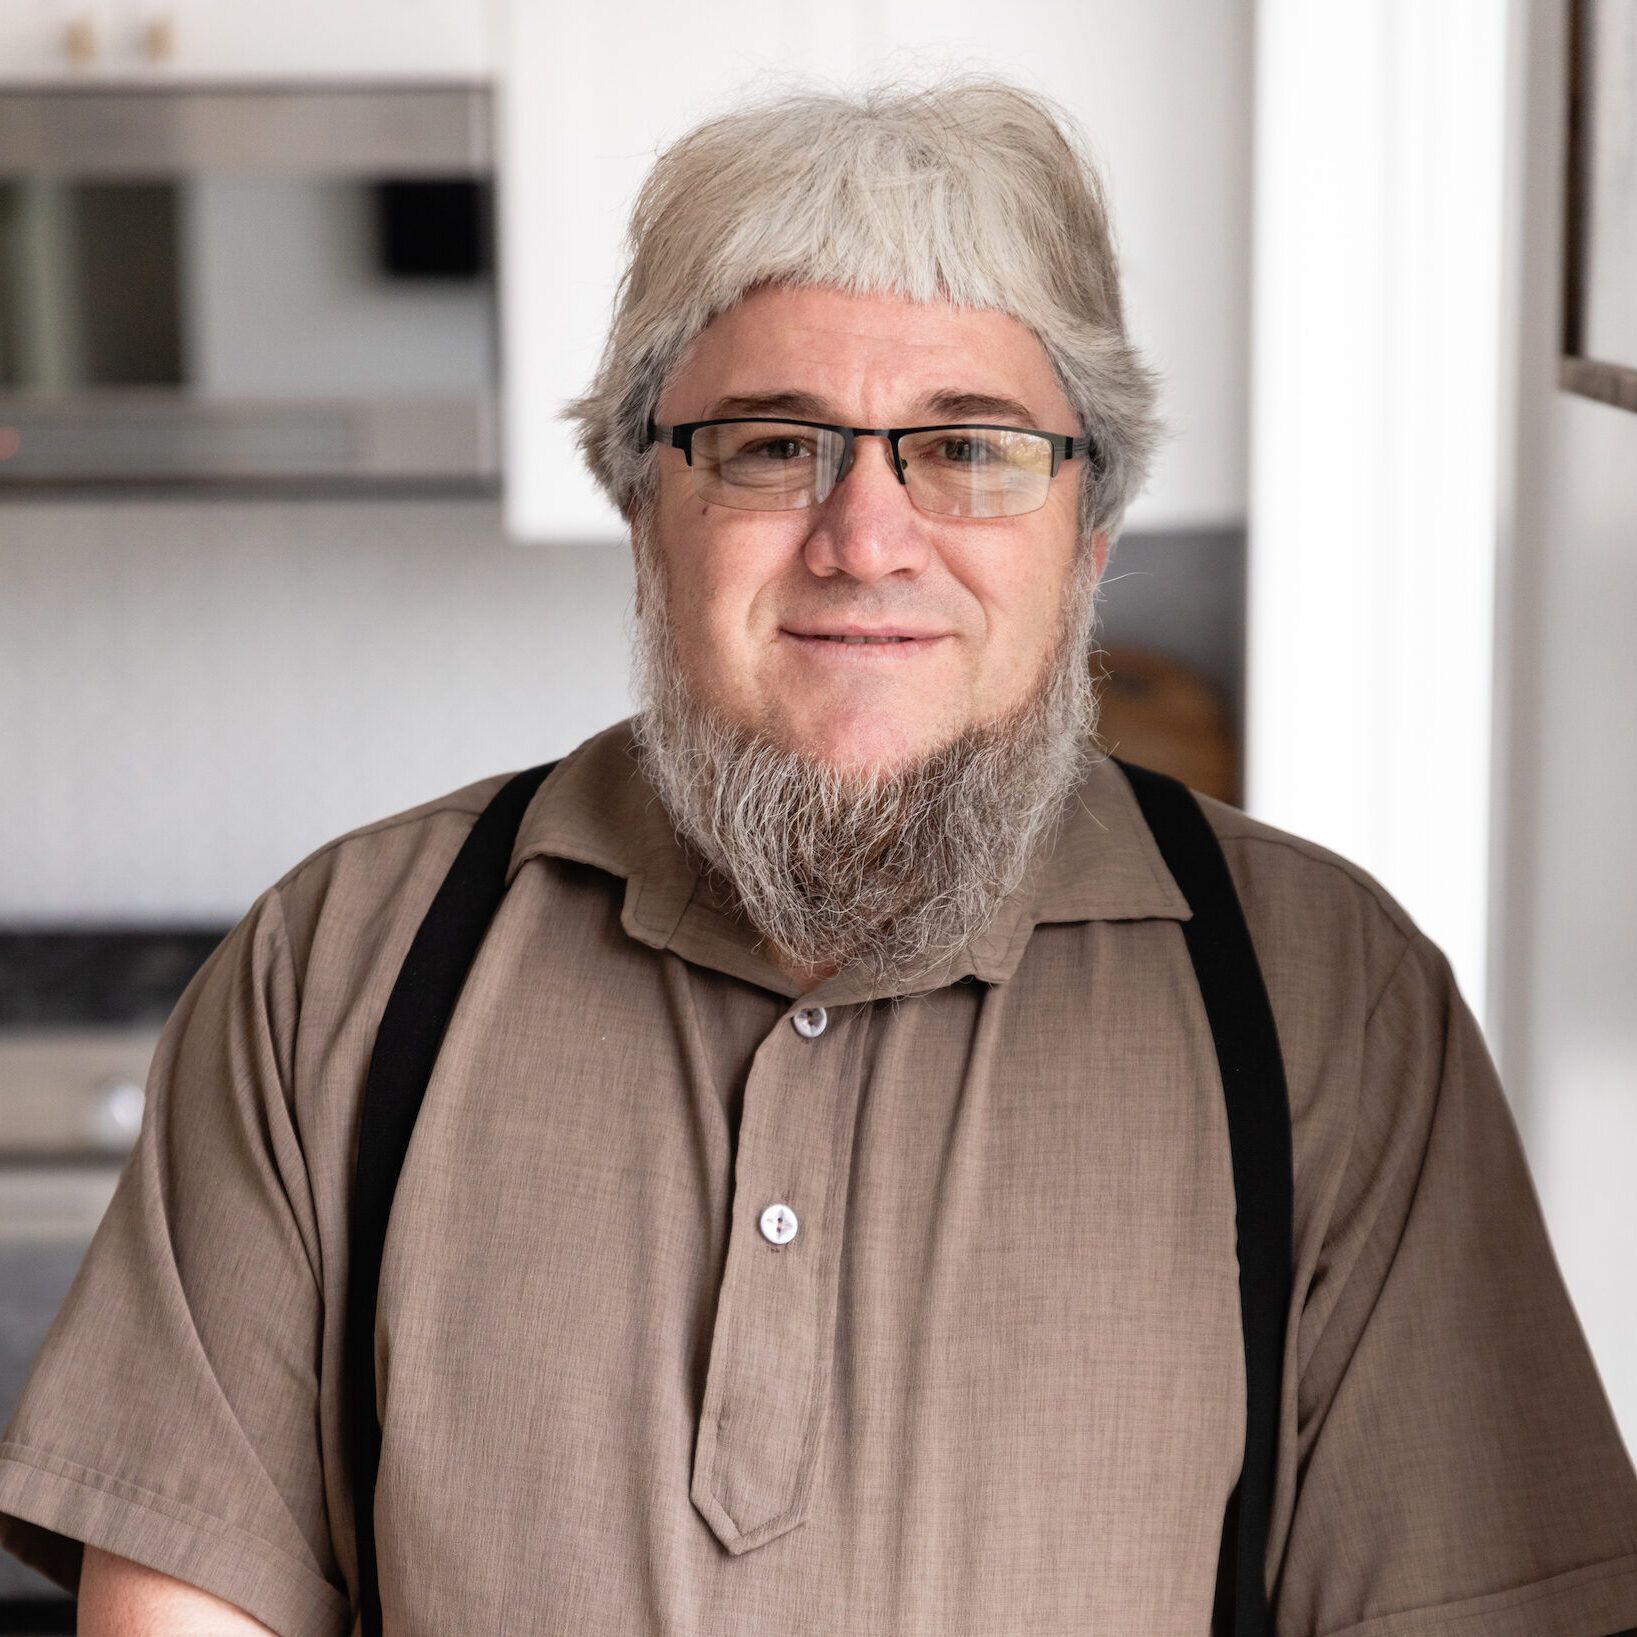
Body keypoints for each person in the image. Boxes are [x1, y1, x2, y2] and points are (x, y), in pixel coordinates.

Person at [3, 76, 1636, 1637]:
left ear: (1092, 532)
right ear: (645, 500)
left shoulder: (1326, 1001)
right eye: (774, 443)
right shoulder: (332, 971)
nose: (866, 536)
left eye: (971, 443)